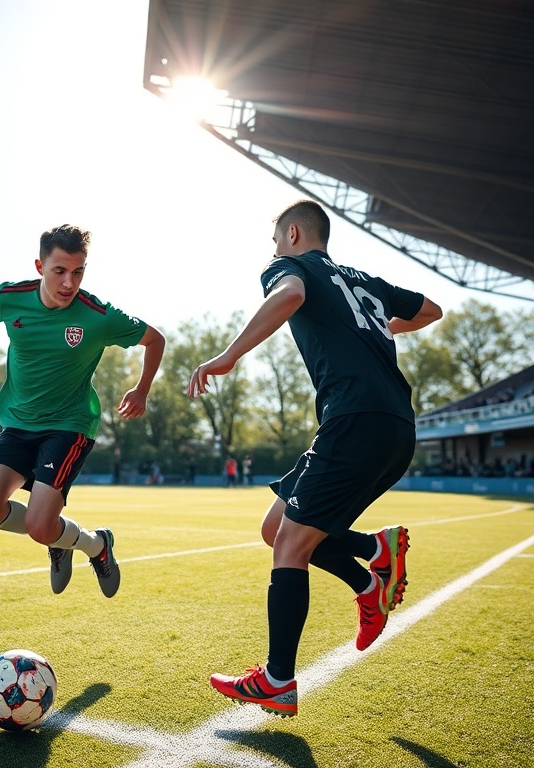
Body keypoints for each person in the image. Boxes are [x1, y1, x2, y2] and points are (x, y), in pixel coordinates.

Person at [188, 200, 442, 716]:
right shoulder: (365, 281)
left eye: (276, 241)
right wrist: (375, 328)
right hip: (395, 425)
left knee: (290, 545)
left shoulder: (290, 267)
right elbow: (431, 311)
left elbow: (291, 294)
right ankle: (371, 566)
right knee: (275, 529)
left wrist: (228, 356)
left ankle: (277, 680)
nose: (274, 251)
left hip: (354, 420)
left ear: (293, 234)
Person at [0, 224, 165, 598]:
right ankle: (64, 537)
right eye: (60, 271)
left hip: (68, 426)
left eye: (78, 272)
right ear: (40, 266)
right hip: (18, 425)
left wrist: (142, 388)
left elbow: (155, 339)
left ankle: (96, 545)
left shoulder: (98, 316)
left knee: (40, 528)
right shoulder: (10, 298)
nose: (69, 283)